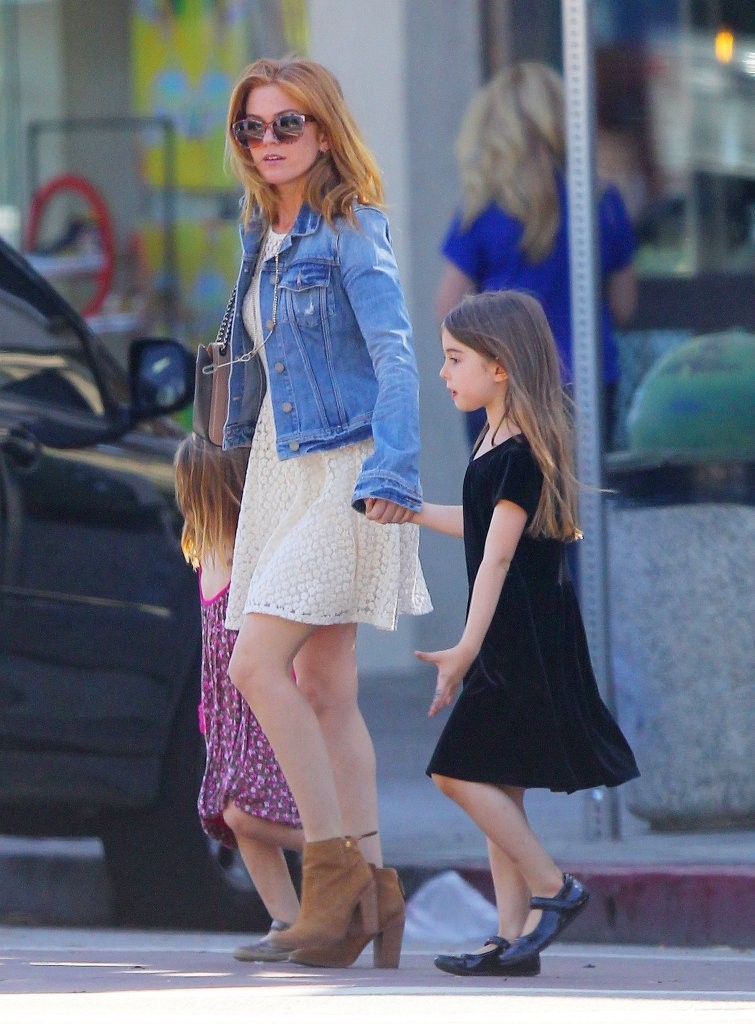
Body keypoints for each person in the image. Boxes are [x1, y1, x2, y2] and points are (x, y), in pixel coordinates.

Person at [220, 57, 431, 967]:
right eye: (252, 127)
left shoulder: (350, 229)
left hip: (347, 467)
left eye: (287, 124)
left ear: (324, 130)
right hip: (281, 470)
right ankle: (375, 893)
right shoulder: (257, 234)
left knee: (255, 664)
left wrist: (394, 470)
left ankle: (330, 880)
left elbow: (396, 355)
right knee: (325, 690)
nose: (268, 141)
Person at [413, 290, 639, 977]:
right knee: (496, 785)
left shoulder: (520, 452)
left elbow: (498, 557)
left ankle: (553, 887)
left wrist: (465, 648)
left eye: (455, 359)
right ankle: (510, 940)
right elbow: (482, 526)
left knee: (455, 771)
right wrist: (412, 512)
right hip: (512, 632)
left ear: (500, 366)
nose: (444, 372)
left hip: (519, 638)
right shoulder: (493, 440)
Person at [435, 62, 637, 447]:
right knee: (576, 484)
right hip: (585, 380)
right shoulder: (601, 202)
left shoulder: (482, 209)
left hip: (503, 380)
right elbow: (624, 305)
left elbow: (448, 306)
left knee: (505, 483)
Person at [174, 433, 303, 962]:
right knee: (232, 815)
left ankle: (351, 857)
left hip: (261, 712)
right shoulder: (207, 556)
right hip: (227, 714)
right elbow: (211, 648)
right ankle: (288, 921)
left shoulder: (254, 561)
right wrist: (208, 711)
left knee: (249, 813)